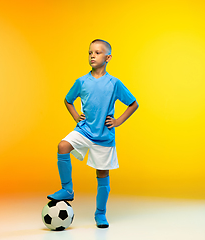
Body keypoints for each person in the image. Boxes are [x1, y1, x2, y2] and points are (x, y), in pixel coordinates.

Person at [47, 39, 139, 228]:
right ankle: (67, 189)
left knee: (102, 173)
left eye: (97, 53)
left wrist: (118, 121)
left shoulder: (114, 83)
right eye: (90, 52)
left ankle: (100, 214)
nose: (92, 56)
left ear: (108, 58)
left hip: (104, 136)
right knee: (63, 146)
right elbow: (68, 100)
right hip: (84, 130)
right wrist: (76, 117)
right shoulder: (81, 82)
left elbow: (133, 104)